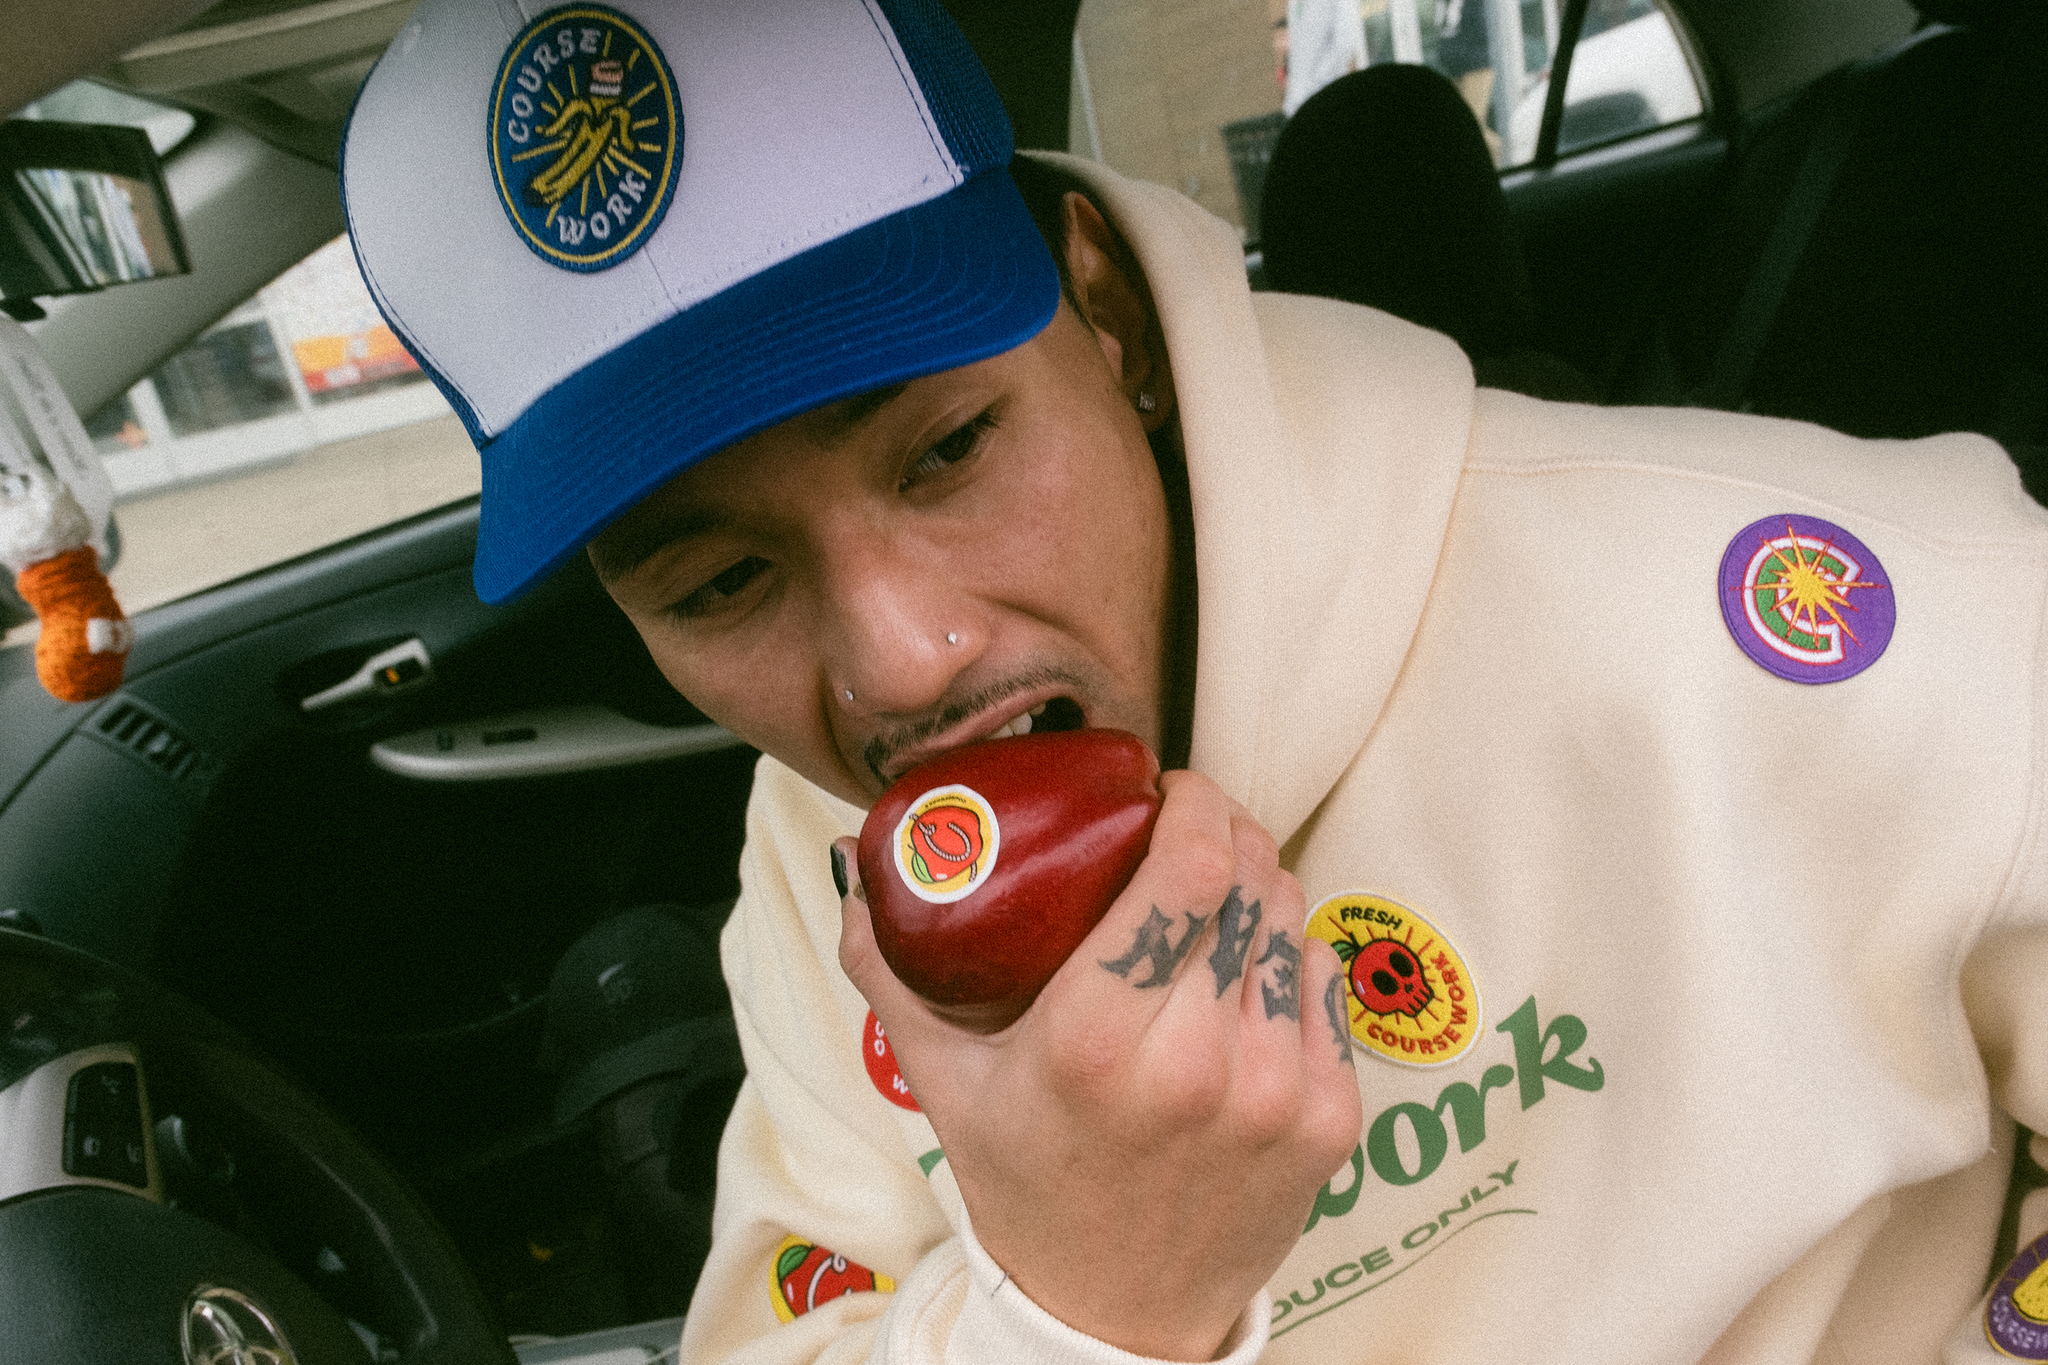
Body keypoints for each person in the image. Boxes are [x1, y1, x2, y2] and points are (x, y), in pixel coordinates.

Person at [342, 2, 2048, 1362]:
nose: (905, 668)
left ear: (1111, 321)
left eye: (946, 450)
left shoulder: (1789, 599)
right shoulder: (818, 868)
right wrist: (1072, 1305)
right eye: (721, 580)